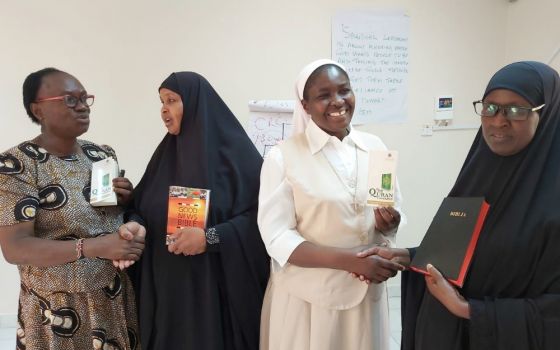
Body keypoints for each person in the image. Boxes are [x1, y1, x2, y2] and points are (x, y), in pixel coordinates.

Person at [360, 61, 560, 349]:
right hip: (448, 333)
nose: (498, 120)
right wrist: (408, 257)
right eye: (490, 107)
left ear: (548, 113)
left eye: (517, 110)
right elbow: (471, 249)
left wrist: (466, 309)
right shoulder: (480, 171)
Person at [258, 59, 405, 350]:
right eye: (324, 95)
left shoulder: (375, 147)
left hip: (367, 295)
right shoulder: (283, 157)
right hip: (312, 299)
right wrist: (349, 260)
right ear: (305, 105)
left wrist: (390, 223)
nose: (337, 101)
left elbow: (392, 208)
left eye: (344, 91)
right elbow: (277, 238)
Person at [0, 67, 145, 349]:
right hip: (55, 310)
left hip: (112, 297)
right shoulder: (17, 166)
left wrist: (127, 203)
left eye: (84, 98)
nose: (82, 107)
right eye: (69, 100)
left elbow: (106, 219)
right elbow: (15, 248)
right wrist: (93, 247)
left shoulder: (100, 155)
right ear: (38, 110)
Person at [127, 71, 269, 350]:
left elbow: (261, 217)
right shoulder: (163, 157)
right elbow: (140, 208)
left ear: (195, 103)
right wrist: (136, 224)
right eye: (161, 102)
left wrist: (210, 238)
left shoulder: (237, 156)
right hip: (168, 296)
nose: (164, 110)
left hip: (216, 298)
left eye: (172, 100)